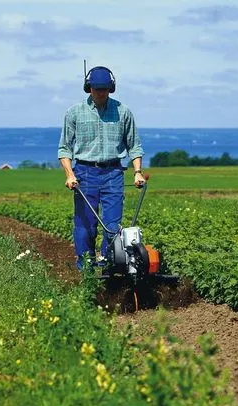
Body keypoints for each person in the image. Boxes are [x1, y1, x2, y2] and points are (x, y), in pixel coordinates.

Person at [58, 65, 145, 270]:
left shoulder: (123, 112)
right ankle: (86, 268)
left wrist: (138, 172)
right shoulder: (74, 113)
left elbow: (134, 145)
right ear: (88, 88)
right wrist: (70, 175)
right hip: (84, 173)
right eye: (96, 89)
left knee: (112, 227)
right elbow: (64, 149)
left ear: (111, 88)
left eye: (104, 89)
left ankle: (109, 264)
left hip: (113, 172)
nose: (100, 93)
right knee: (86, 227)